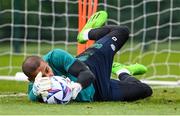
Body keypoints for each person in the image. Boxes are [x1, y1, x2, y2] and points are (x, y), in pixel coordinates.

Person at [22, 11, 152, 103]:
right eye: (42, 77)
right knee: (145, 90)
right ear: (31, 80)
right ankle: (122, 71)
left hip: (92, 65)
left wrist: (76, 86)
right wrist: (35, 93)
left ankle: (86, 34)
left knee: (122, 31)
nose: (49, 76)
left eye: (47, 70)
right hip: (100, 93)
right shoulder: (37, 87)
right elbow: (31, 96)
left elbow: (87, 74)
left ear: (45, 62)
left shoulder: (55, 56)